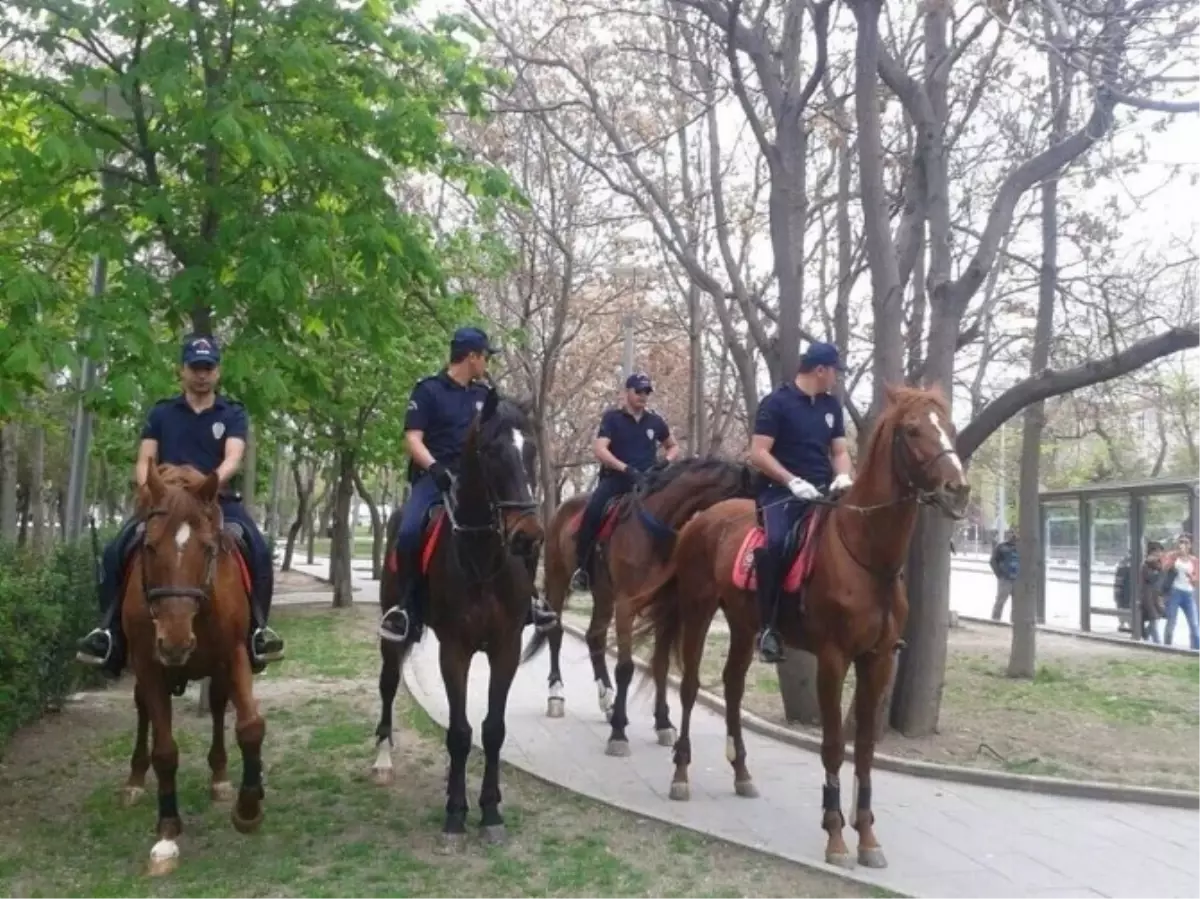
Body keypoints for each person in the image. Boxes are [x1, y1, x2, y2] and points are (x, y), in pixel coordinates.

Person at [77, 336, 284, 676]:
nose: (202, 375)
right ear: (182, 370)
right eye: (195, 368)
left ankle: (257, 631)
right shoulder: (161, 412)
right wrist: (149, 490)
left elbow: (233, 457)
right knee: (116, 550)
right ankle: (110, 633)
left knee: (257, 548)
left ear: (217, 372)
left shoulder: (232, 412)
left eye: (208, 368)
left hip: (213, 500)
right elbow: (145, 459)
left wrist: (207, 485)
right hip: (165, 504)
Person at [379, 326, 558, 643]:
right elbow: (412, 439)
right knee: (408, 533)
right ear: (472, 356)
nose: (487, 362)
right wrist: (434, 468)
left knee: (523, 526)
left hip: (477, 481)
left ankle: (529, 600)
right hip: (435, 479)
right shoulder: (428, 390)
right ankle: (406, 608)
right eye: (485, 356)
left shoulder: (485, 397)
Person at [747, 342, 853, 664]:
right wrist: (791, 481)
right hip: (781, 492)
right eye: (835, 371)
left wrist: (844, 477)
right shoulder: (776, 404)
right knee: (778, 543)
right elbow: (758, 452)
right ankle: (768, 627)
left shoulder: (831, 407)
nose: (836, 378)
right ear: (820, 370)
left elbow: (839, 451)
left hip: (824, 490)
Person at [570, 372, 679, 592]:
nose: (643, 395)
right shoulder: (613, 418)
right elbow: (600, 449)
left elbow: (674, 446)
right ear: (626, 392)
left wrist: (664, 462)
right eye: (638, 391)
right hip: (617, 479)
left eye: (647, 391)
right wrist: (625, 468)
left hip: (648, 481)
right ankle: (583, 568)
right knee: (593, 511)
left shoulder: (655, 421)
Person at [1160, 533, 1199, 649]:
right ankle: (1167, 647)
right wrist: (1174, 557)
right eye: (1181, 541)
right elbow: (1164, 568)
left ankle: (1196, 650)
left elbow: (1197, 582)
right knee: (1171, 622)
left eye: (1186, 542)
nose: (1183, 544)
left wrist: (1192, 578)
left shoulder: (1195, 561)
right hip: (1175, 592)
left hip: (1188, 594)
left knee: (1194, 624)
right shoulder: (1173, 556)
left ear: (1190, 545)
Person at [990, 529, 1020, 621]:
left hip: (1019, 579)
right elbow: (993, 561)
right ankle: (995, 620)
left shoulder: (1023, 547)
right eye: (1011, 532)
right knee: (1000, 601)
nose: (1014, 535)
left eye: (1015, 532)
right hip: (1005, 579)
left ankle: (1014, 622)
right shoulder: (1001, 547)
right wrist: (999, 574)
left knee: (1018, 604)